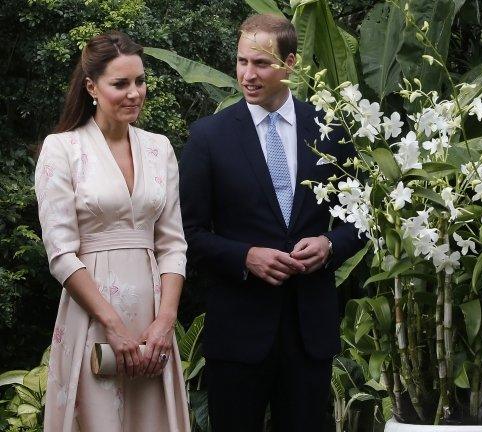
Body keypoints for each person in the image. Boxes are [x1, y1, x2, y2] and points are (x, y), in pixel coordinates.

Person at [179, 14, 365, 431]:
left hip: (308, 332)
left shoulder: (331, 131)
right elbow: (186, 235)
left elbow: (363, 217)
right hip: (238, 334)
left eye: (261, 64)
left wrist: (331, 245)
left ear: (291, 63)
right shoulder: (209, 138)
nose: (248, 74)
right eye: (242, 61)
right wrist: (245, 256)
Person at [35, 31, 190, 432]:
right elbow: (61, 253)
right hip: (94, 319)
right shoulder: (62, 149)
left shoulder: (160, 148)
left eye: (139, 81)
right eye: (120, 84)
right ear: (92, 87)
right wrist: (115, 328)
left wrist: (165, 322)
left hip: (154, 321)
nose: (134, 93)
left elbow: (173, 244)